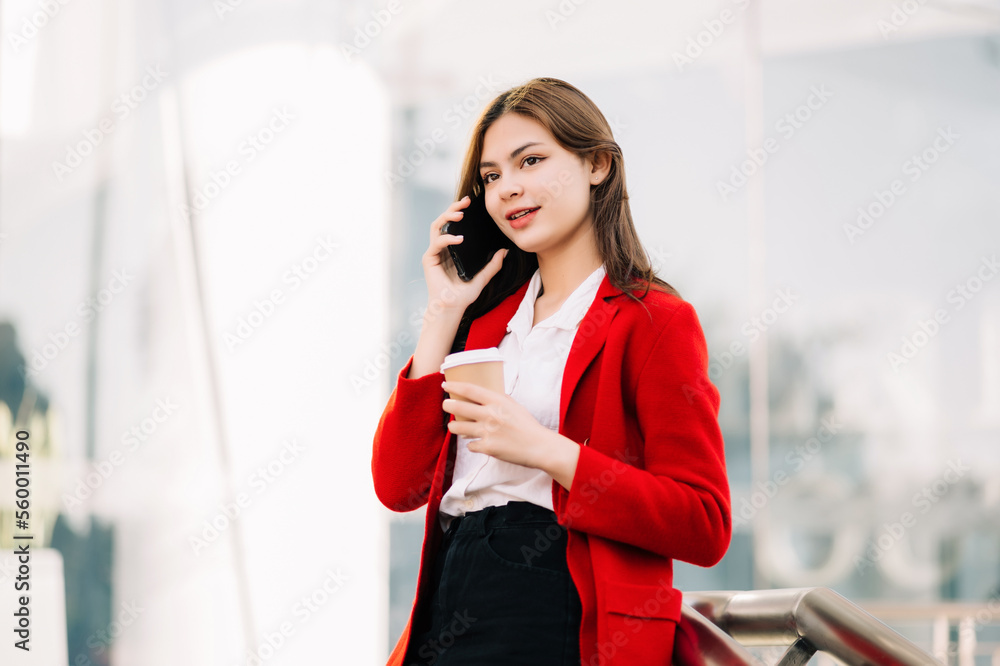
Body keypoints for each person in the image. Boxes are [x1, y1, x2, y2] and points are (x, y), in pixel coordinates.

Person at [372, 77, 731, 666]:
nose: (508, 188)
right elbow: (398, 485)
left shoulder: (654, 321)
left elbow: (704, 522)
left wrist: (547, 450)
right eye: (490, 176)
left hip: (556, 602)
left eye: (530, 161)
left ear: (597, 165)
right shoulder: (486, 326)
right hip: (451, 592)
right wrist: (443, 315)